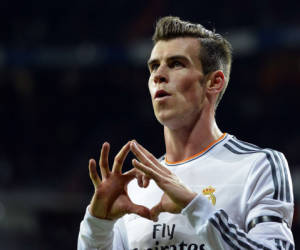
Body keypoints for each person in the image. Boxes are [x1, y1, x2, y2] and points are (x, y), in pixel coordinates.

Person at [78, 16, 294, 249]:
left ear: (214, 82)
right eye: (153, 66)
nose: (158, 75)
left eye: (176, 63)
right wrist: (98, 223)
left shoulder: (258, 166)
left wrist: (194, 206)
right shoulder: (133, 191)